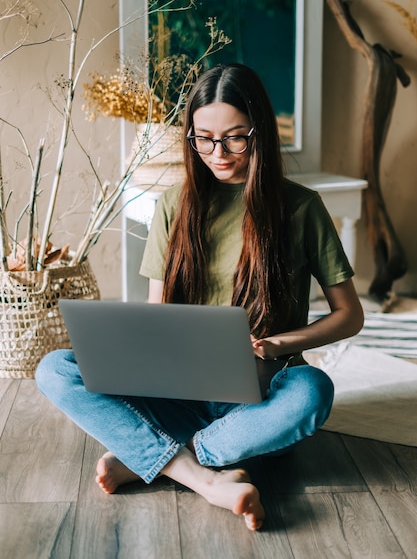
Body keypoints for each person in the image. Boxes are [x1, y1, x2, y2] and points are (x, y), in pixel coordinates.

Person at [36, 63, 364, 531]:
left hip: (262, 395)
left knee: (313, 393)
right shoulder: (174, 205)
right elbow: (159, 316)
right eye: (202, 138)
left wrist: (280, 344)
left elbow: (349, 316)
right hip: (179, 392)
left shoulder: (301, 207)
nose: (218, 153)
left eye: (234, 137)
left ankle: (153, 456)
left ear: (260, 132)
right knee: (55, 369)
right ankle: (206, 479)